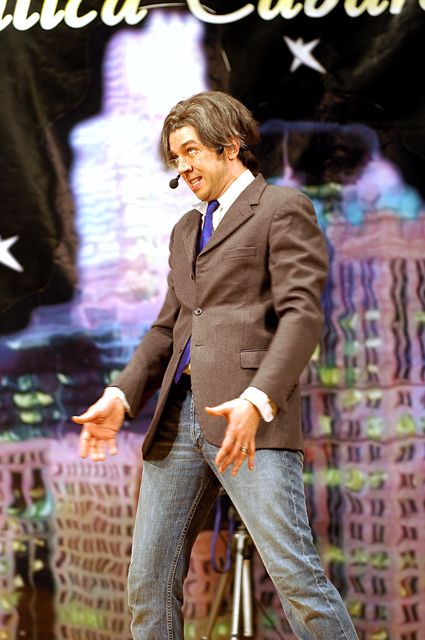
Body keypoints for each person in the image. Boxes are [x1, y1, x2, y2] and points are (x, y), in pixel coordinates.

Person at [72, 90, 358, 640]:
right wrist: (121, 394)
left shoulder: (281, 208)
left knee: (297, 581)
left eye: (190, 151)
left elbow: (302, 314)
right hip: (178, 421)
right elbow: (168, 329)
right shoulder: (186, 229)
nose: (181, 167)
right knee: (148, 585)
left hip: (247, 419)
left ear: (230, 146)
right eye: (174, 157)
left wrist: (258, 398)